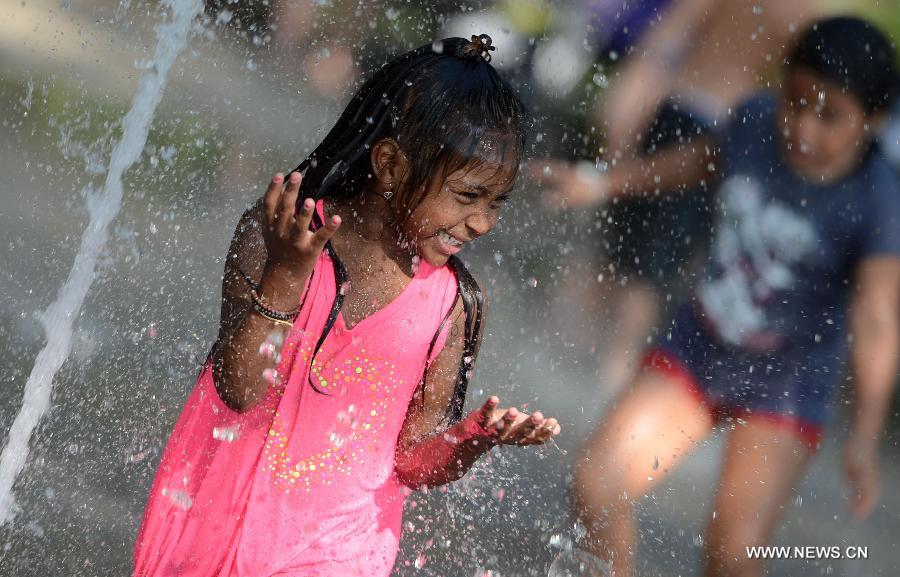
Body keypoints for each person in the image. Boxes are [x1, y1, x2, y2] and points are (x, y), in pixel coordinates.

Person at [132, 35, 561, 577]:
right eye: (468, 196)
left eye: (497, 202)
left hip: (338, 555)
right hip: (207, 537)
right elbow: (239, 389)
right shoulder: (277, 240)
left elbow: (411, 459)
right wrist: (288, 275)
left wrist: (469, 439)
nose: (483, 223)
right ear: (390, 166)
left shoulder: (451, 304)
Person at [540, 16, 900, 576]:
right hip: (697, 352)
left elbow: (877, 317)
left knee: (733, 556)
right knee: (597, 484)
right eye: (796, 101)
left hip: (785, 389)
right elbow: (697, 162)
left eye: (830, 116)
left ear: (873, 121)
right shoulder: (755, 122)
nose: (803, 128)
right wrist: (603, 182)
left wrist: (864, 437)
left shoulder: (879, 198)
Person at [532, 0, 817, 392]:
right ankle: (614, 370)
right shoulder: (802, 12)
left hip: (678, 107)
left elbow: (666, 34)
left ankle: (556, 354)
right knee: (653, 266)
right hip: (724, 128)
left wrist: (630, 91)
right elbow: (799, 88)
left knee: (616, 249)